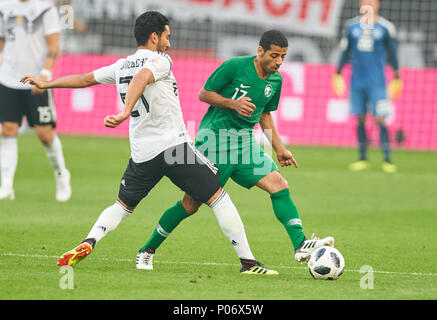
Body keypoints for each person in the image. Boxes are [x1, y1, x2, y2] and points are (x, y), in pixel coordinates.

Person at [21, 11, 278, 275]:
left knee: (121, 207)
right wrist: (124, 111)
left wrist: (47, 83)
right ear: (154, 37)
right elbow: (142, 77)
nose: (170, 41)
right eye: (167, 36)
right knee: (219, 198)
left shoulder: (121, 65)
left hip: (142, 154)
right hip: (174, 148)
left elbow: (85, 79)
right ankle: (248, 262)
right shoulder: (160, 60)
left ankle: (90, 240)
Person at [138, 29, 335, 270]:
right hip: (215, 140)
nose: (279, 62)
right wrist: (233, 103)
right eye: (274, 56)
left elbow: (264, 113)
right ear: (260, 50)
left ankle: (300, 243)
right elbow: (204, 94)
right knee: (190, 204)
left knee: (279, 185)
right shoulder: (234, 66)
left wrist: (280, 148)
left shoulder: (276, 80)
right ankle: (147, 249)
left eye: (283, 56)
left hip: (244, 143)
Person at [0, 0, 71, 201]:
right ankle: (6, 186)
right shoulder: (4, 6)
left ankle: (61, 174)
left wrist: (46, 73)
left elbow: (53, 44)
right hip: (8, 78)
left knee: (44, 135)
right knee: (7, 129)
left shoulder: (45, 8)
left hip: (36, 80)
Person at [332, 0, 402, 173]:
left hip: (377, 82)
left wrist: (397, 76)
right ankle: (362, 158)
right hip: (357, 81)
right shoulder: (351, 27)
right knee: (360, 117)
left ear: (377, 4)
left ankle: (387, 159)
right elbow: (344, 52)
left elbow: (392, 53)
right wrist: (338, 73)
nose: (368, 4)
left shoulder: (385, 27)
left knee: (380, 118)